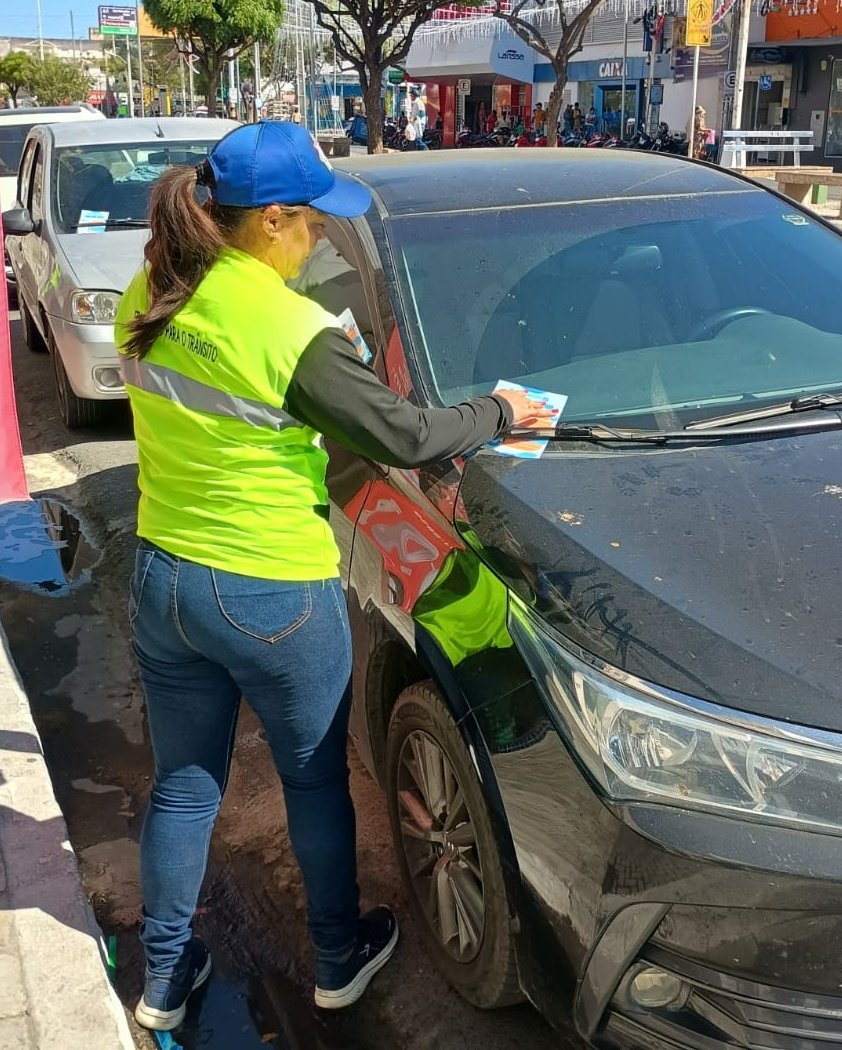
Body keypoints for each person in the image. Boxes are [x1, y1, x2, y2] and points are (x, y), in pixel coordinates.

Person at [113, 120, 551, 1034]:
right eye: (311, 221)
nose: (318, 237)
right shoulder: (290, 329)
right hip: (269, 588)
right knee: (312, 778)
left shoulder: (149, 292)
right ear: (270, 220)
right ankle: (340, 960)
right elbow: (404, 436)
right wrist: (498, 408)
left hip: (165, 582)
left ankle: (161, 977)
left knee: (184, 786)